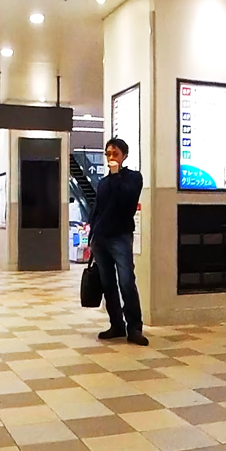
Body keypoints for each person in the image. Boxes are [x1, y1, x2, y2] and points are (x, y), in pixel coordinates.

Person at [89, 138, 149, 346]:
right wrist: (92, 234)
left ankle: (134, 328)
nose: (111, 158)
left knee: (126, 282)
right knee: (108, 284)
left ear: (124, 155)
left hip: (121, 237)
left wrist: (115, 175)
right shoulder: (103, 182)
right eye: (108, 154)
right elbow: (97, 210)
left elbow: (127, 200)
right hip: (101, 239)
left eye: (115, 154)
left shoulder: (133, 178)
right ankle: (117, 325)